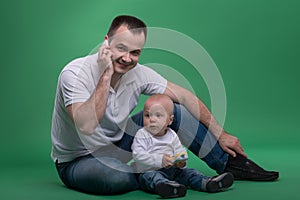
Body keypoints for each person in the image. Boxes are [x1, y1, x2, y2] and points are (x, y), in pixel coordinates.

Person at [51, 15, 279, 195]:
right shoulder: (74, 73)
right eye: (121, 48)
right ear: (106, 42)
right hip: (79, 160)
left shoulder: (137, 73)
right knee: (116, 177)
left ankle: (230, 164)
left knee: (173, 109)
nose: (127, 58)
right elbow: (87, 125)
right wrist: (105, 74)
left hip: (119, 145)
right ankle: (161, 174)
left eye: (135, 52)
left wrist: (221, 134)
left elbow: (186, 97)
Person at [132, 94, 234, 198]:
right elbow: (138, 155)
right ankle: (166, 187)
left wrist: (180, 162)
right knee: (151, 177)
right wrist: (160, 160)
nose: (152, 120)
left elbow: (180, 152)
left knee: (189, 173)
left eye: (158, 115)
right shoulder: (142, 134)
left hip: (173, 171)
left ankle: (207, 183)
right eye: (147, 115)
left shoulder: (172, 135)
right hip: (149, 170)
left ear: (170, 120)